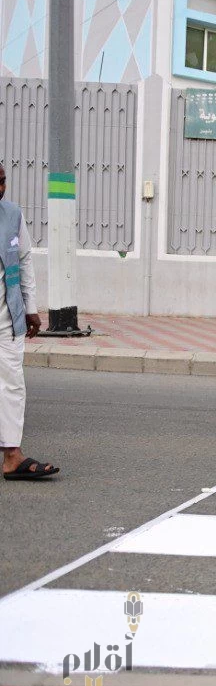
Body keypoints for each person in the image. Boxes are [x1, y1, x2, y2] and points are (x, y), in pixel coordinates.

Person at [0, 163, 57, 481]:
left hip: (7, 318)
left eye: (3, 181)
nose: (0, 188)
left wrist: (31, 308)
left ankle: (12, 456)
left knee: (12, 386)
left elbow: (23, 261)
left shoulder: (12, 215)